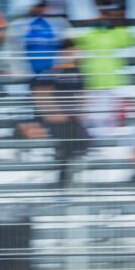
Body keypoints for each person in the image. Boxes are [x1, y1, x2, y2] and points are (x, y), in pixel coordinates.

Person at [30, 41, 91, 189]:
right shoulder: (52, 72)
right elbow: (41, 95)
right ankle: (63, 181)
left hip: (71, 119)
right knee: (69, 141)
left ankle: (66, 177)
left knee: (82, 139)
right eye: (70, 52)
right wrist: (54, 113)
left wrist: (80, 111)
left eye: (75, 52)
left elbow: (82, 95)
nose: (73, 55)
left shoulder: (78, 73)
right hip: (55, 119)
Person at [76, 2, 135, 129]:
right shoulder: (88, 35)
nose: (103, 18)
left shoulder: (116, 34)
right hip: (92, 83)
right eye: (101, 15)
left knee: (109, 120)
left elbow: (131, 39)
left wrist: (118, 21)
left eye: (106, 15)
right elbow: (76, 44)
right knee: (91, 118)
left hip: (111, 84)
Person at [21, 0, 67, 77]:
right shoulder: (23, 24)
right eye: (37, 6)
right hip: (31, 73)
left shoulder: (58, 22)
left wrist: (58, 68)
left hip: (53, 71)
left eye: (41, 6)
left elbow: (65, 48)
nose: (40, 9)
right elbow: (19, 49)